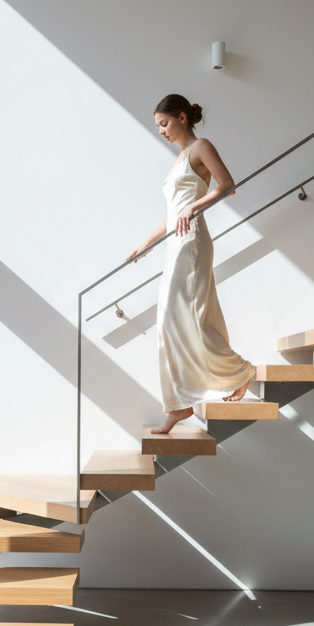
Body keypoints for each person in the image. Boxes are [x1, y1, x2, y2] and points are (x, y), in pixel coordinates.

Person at [128, 94, 255, 435]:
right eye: (158, 126)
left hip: (193, 242)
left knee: (186, 318)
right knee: (170, 323)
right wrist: (146, 243)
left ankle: (239, 373)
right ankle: (179, 405)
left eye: (164, 123)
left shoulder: (201, 147)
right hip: (176, 243)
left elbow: (227, 186)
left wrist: (193, 208)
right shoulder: (179, 159)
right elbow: (173, 213)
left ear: (182, 117)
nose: (161, 131)